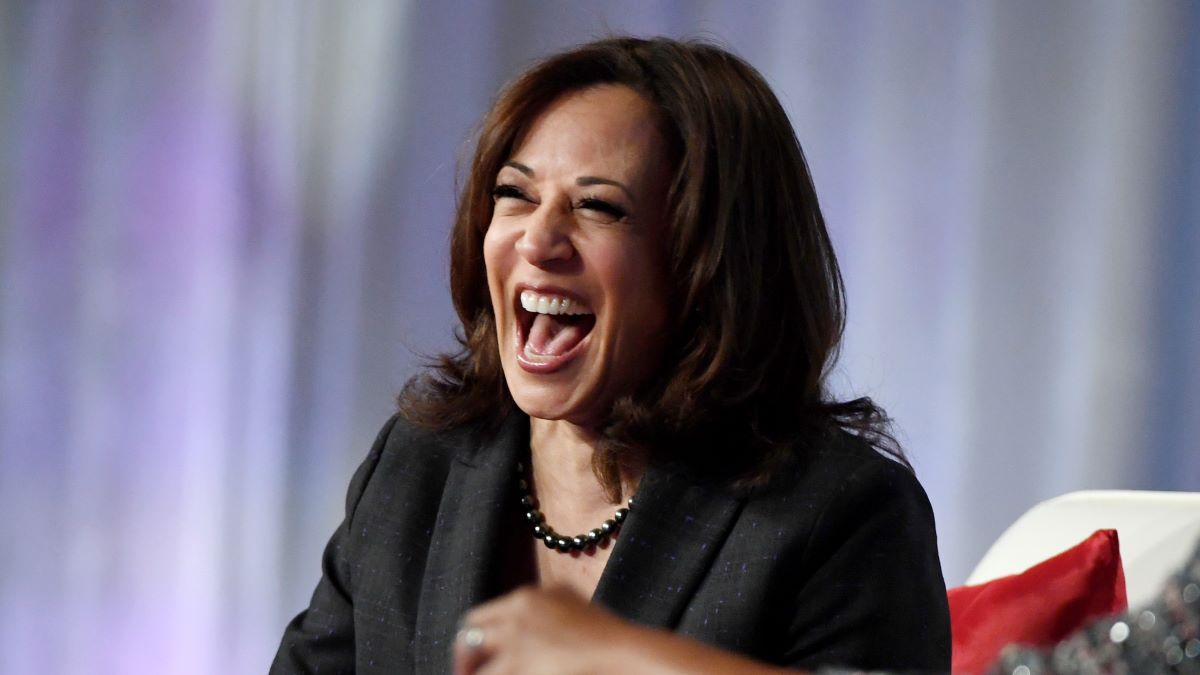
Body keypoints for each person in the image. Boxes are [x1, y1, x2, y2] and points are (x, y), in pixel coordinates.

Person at [271, 36, 950, 674]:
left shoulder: (843, 516)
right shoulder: (419, 467)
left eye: (599, 208)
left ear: (710, 268)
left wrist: (623, 655)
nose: (537, 241)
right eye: (515, 195)